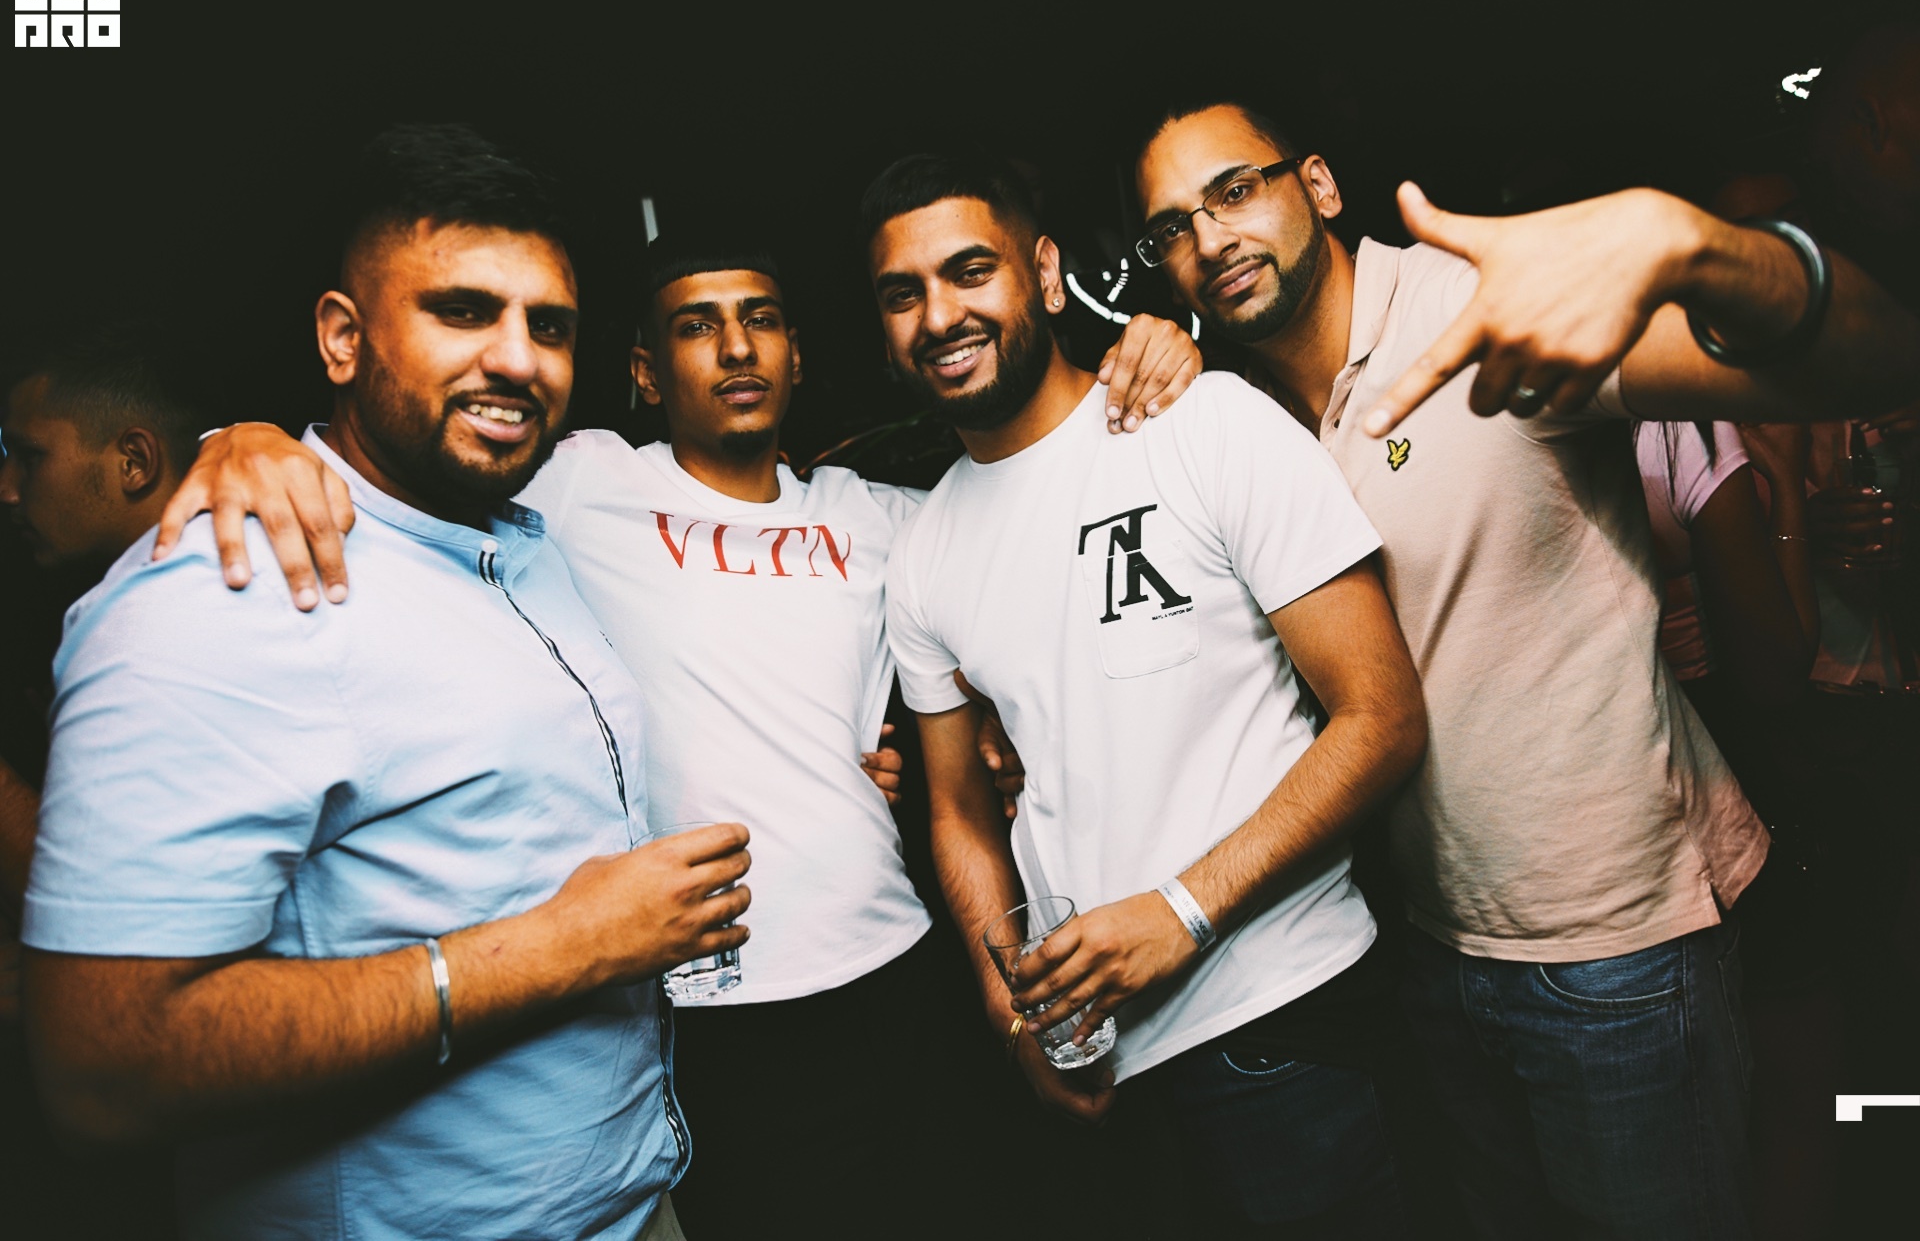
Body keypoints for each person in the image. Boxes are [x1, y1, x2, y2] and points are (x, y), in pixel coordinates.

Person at [147, 223, 1205, 1236]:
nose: (737, 348)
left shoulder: (883, 516)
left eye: (761, 320)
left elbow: (1034, 523)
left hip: (899, 968)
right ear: (647, 373)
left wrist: (1149, 357)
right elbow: (403, 459)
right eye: (699, 326)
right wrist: (244, 439)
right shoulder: (577, 482)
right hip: (706, 1005)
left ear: (798, 357)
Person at [1128, 97, 1920, 1239]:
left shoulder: (1476, 315)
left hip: (1617, 947)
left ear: (1319, 186)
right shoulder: (1239, 423)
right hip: (1434, 944)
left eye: (1235, 190)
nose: (1209, 240)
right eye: (1172, 228)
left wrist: (1705, 250)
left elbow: (1871, 356)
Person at [19, 124, 753, 1241]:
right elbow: (104, 1070)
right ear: (342, 338)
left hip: (633, 1205)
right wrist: (571, 944)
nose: (519, 359)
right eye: (462, 311)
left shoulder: (523, 540)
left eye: (549, 325)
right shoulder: (220, 589)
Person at [864, 153, 1428, 1238]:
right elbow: (959, 811)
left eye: (970, 271)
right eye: (903, 293)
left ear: (1043, 272)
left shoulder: (1204, 423)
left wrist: (1183, 912)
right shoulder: (923, 551)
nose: (938, 316)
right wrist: (1010, 1015)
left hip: (1284, 1022)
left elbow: (1383, 717)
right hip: (1106, 1067)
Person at [0, 323, 212, 1240]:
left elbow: (106, 921)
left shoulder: (183, 619)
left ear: (133, 462)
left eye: (29, 456)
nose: (7, 487)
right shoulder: (91, 600)